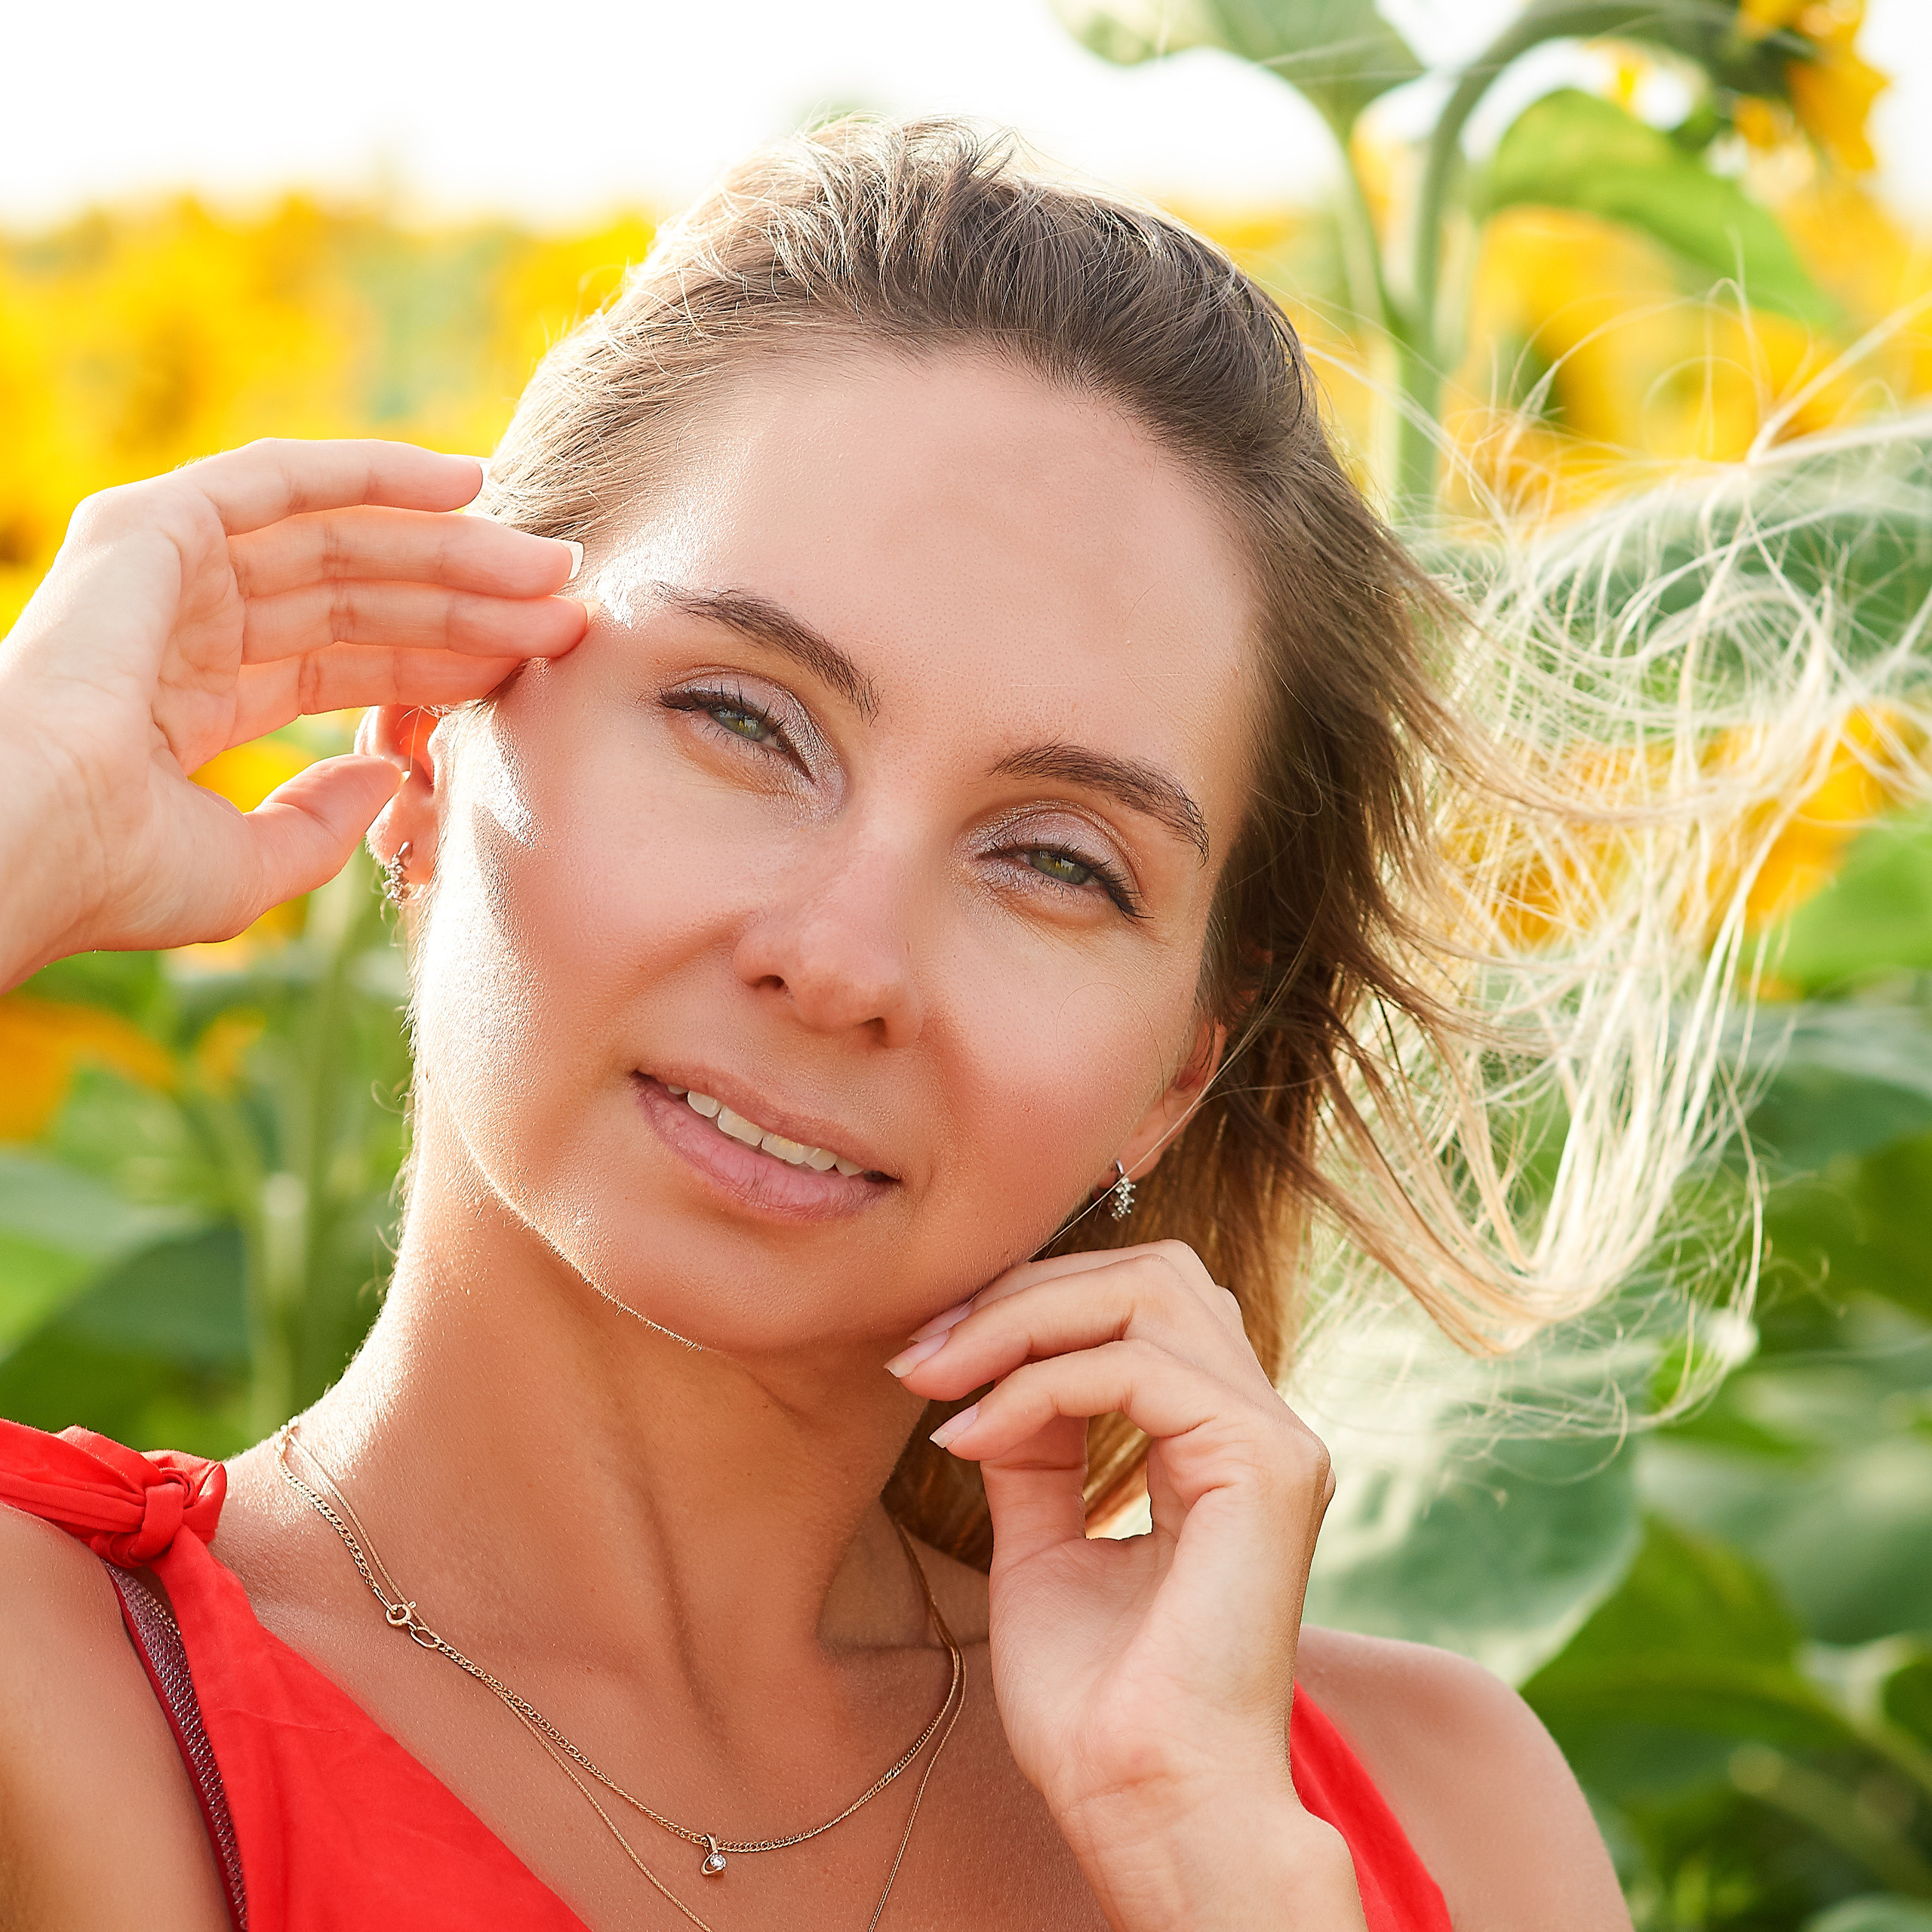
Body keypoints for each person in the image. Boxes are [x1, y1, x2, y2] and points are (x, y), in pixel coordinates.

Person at [0, 121, 1635, 1930]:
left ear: (1177, 1066)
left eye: (1054, 860)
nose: (844, 956)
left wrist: (1212, 1867)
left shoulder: (1426, 1819)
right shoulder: (57, 1696)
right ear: (427, 747)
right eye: (742, 719)